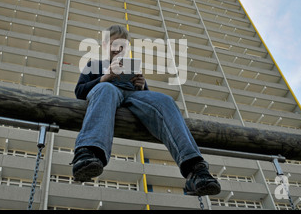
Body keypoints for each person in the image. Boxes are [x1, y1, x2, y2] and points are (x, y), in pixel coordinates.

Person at [72, 25, 221, 196]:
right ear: (105, 45)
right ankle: (88, 154)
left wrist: (141, 87)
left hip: (133, 95)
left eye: (123, 46)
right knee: (106, 89)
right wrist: (105, 77)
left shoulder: (132, 67)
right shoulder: (94, 65)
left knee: (165, 100)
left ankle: (195, 170)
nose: (118, 49)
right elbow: (80, 92)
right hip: (107, 91)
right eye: (114, 44)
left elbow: (150, 106)